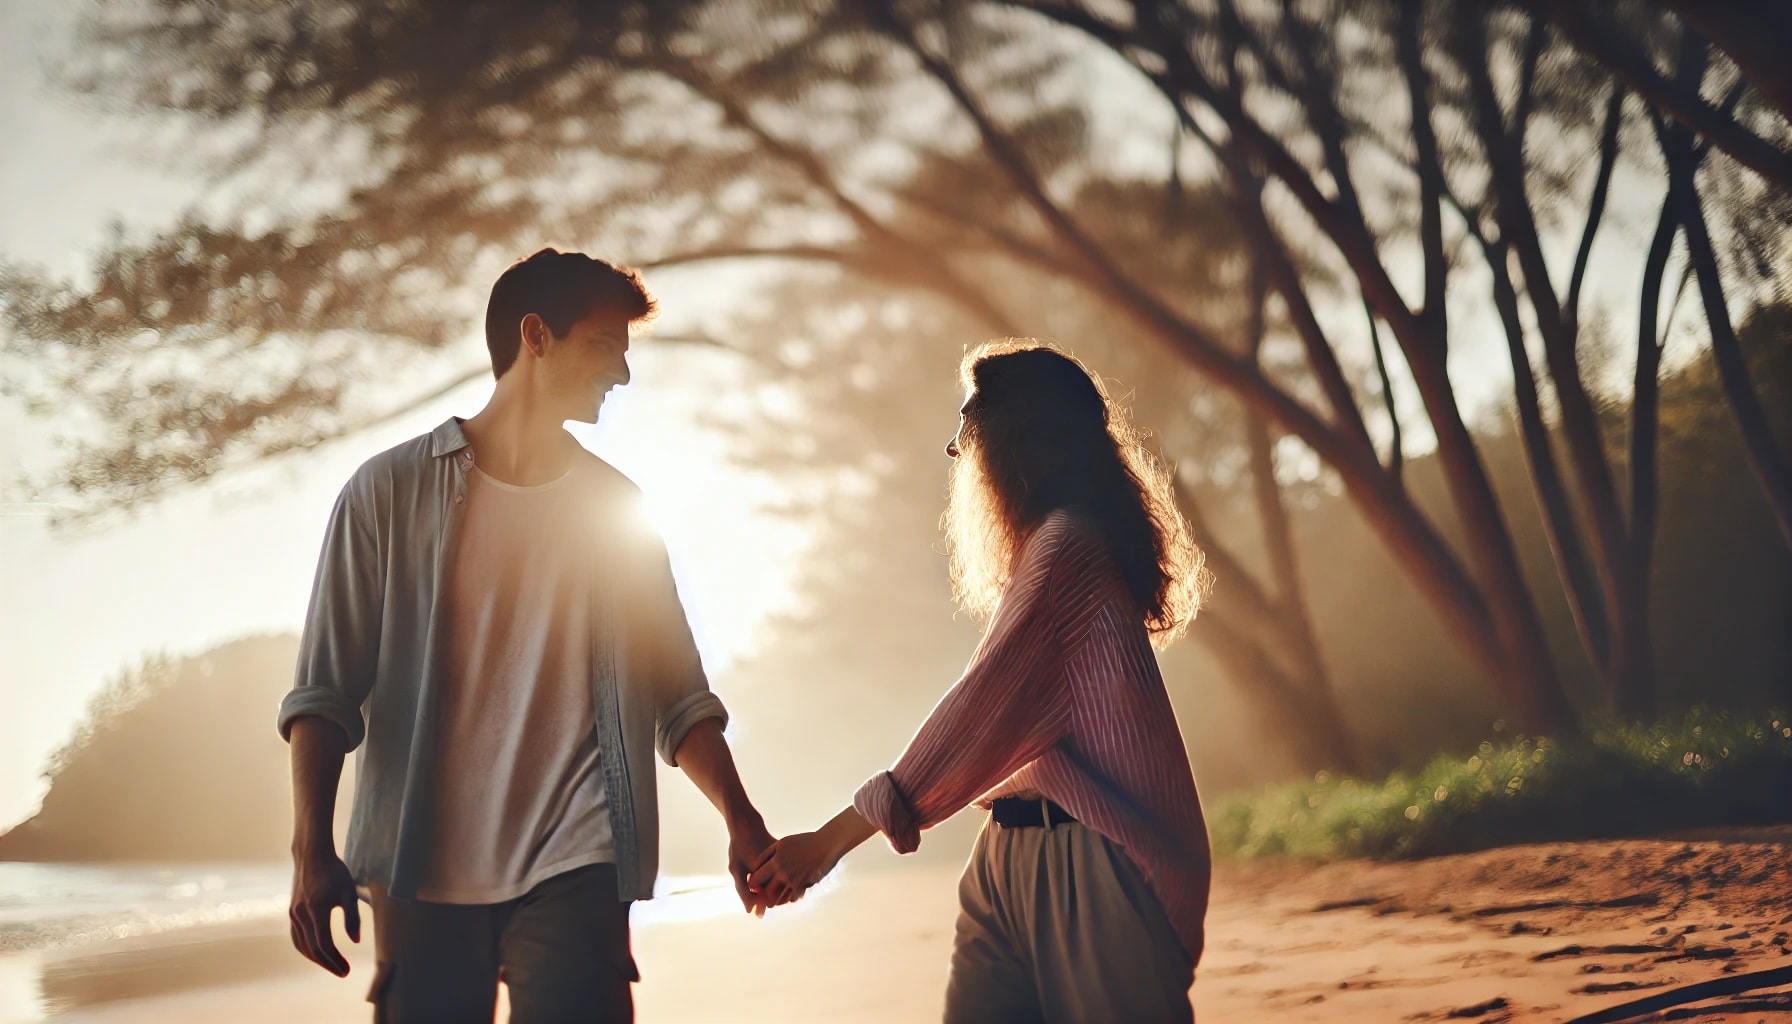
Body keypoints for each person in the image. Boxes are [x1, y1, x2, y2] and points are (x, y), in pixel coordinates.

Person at [279, 248, 774, 1023]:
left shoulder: (620, 513)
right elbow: (325, 693)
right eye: (606, 344)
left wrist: (742, 821)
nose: (622, 373)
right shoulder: (386, 492)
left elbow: (680, 698)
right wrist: (311, 848)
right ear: (536, 336)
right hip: (419, 870)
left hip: (581, 857)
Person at [749, 340, 1213, 1023]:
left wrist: (829, 842)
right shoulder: (1045, 552)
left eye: (968, 422)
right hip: (1005, 855)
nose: (954, 448)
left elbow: (978, 715)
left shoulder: (1068, 551)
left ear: (1018, 431)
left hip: (1092, 861)